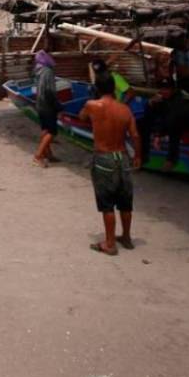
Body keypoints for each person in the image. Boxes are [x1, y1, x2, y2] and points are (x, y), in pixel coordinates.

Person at [78, 74, 142, 256]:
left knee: (107, 204)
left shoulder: (92, 106)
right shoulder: (125, 110)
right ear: (114, 89)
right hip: (122, 157)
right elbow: (135, 135)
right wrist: (138, 155)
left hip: (103, 157)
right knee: (125, 202)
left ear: (97, 88)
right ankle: (127, 238)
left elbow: (82, 117)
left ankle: (110, 243)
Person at [33, 51, 61, 167]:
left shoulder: (38, 70)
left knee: (45, 129)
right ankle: (38, 156)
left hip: (40, 103)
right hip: (47, 105)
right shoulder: (48, 71)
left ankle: (48, 154)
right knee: (52, 131)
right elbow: (49, 90)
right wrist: (57, 105)